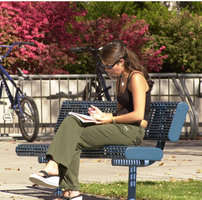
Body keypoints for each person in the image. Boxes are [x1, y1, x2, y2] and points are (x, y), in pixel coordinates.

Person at [29, 40, 154, 200]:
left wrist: (109, 119)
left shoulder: (135, 77)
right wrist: (102, 115)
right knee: (71, 122)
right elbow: (119, 112)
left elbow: (138, 115)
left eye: (109, 66)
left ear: (121, 62)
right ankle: (70, 191)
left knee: (73, 137)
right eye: (104, 66)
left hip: (133, 131)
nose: (107, 70)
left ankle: (58, 172)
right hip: (120, 127)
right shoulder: (120, 80)